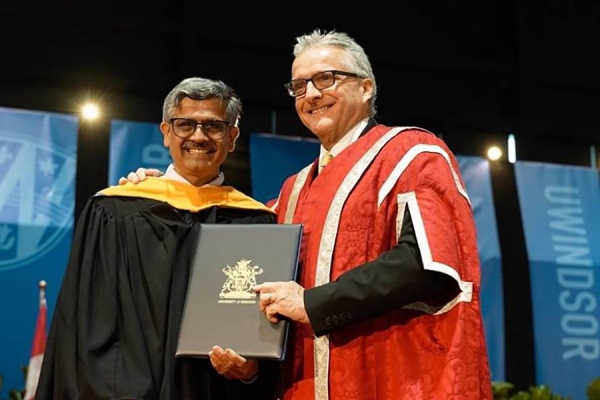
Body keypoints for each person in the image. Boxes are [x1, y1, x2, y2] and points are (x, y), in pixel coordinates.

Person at [123, 30, 493, 400]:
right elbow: (233, 261)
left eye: (325, 79)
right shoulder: (292, 192)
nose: (311, 95)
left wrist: (310, 304)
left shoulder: (411, 154)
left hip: (395, 380)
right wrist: (168, 189)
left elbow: (426, 264)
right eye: (299, 87)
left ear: (366, 87)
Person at [36, 77, 280, 400]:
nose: (198, 136)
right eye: (185, 125)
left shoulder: (256, 222)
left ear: (232, 137)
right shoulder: (114, 211)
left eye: (213, 127)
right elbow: (83, 327)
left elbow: (267, 338)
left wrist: (251, 371)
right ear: (166, 133)